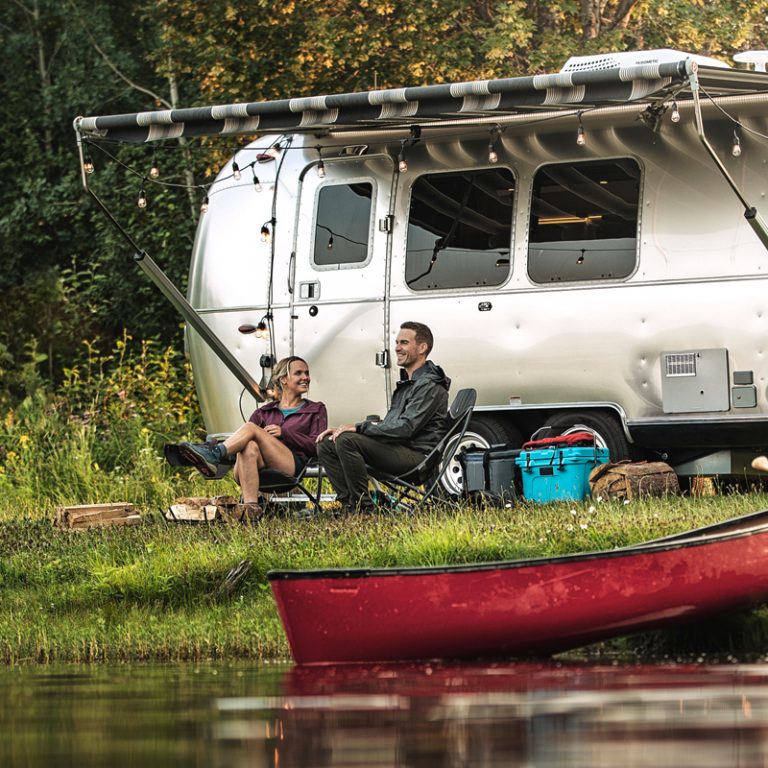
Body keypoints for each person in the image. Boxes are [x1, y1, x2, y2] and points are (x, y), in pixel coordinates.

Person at [316, 321, 449, 514]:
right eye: (397, 342)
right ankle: (350, 505)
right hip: (398, 449)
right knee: (327, 443)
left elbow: (405, 429)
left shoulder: (428, 385)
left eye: (404, 342)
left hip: (416, 458)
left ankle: (364, 508)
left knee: (347, 440)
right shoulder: (410, 383)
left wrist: (360, 428)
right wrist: (346, 429)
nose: (397, 348)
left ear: (422, 348)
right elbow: (393, 425)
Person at [179, 356, 327, 517]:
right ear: (283, 379)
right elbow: (244, 442)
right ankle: (251, 510)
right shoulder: (263, 412)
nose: (306, 377)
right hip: (254, 466)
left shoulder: (316, 409)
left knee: (251, 428)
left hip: (290, 466)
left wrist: (285, 433)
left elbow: (317, 446)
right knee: (249, 446)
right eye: (298, 373)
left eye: (306, 373)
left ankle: (214, 455)